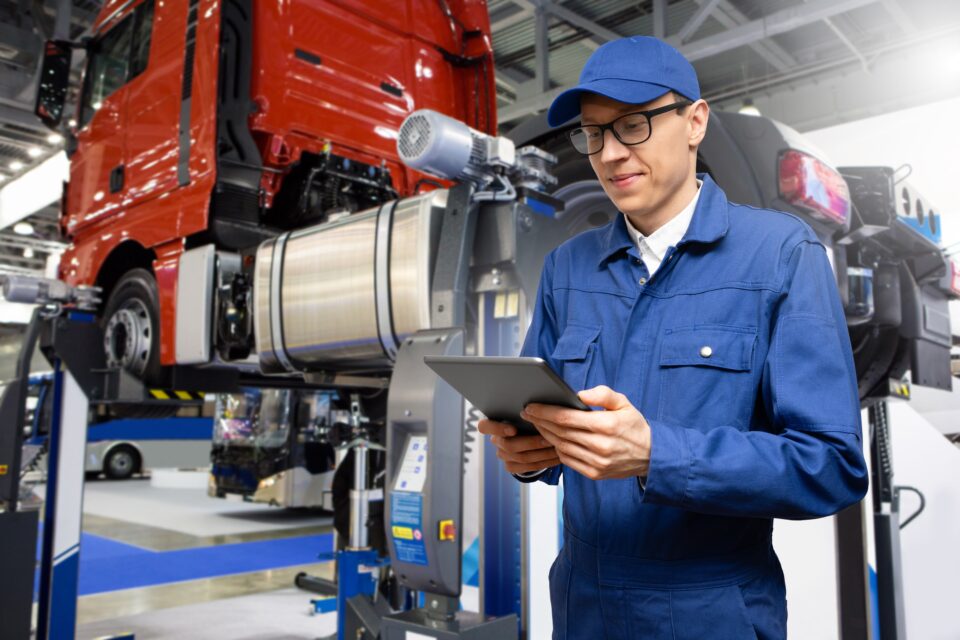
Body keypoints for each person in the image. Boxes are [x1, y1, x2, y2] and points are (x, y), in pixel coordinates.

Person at [478, 36, 868, 639]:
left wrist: (658, 455)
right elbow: (555, 429)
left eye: (632, 125)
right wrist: (532, 456)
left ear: (695, 121)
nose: (609, 153)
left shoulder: (781, 256)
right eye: (593, 133)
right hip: (584, 609)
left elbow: (832, 466)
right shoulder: (567, 268)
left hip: (712, 612)